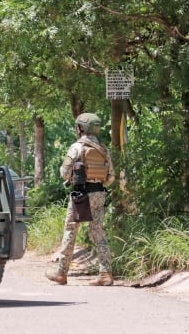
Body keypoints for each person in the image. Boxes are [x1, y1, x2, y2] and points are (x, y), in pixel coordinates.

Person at [46, 112, 116, 286]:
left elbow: (64, 172)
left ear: (81, 128)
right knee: (98, 231)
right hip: (99, 193)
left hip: (81, 194)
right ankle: (106, 273)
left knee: (71, 229)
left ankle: (61, 272)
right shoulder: (104, 150)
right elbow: (111, 177)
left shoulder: (76, 148)